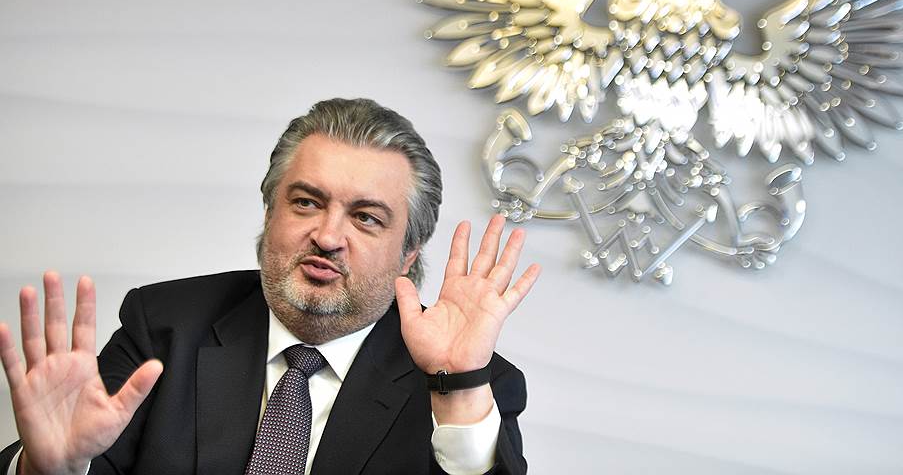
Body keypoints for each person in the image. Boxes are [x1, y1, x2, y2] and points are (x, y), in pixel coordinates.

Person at [0, 98, 540, 474]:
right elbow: (80, 458)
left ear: (409, 252)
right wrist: (48, 470)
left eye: (366, 218)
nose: (328, 236)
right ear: (268, 211)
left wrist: (457, 389)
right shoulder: (164, 325)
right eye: (306, 202)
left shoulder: (467, 382)